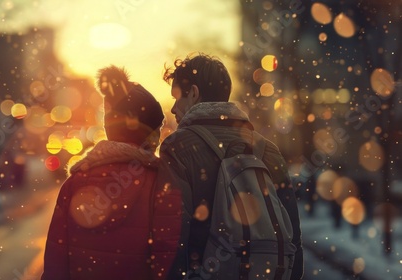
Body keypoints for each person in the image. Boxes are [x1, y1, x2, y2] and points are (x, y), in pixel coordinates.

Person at [158, 53, 304, 279]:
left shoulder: (177, 147)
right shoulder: (267, 149)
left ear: (194, 93)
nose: (173, 108)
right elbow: (292, 234)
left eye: (177, 97)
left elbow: (174, 232)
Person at [42, 66, 181, 280]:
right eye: (157, 128)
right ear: (149, 133)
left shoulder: (74, 184)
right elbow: (167, 260)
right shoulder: (161, 185)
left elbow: (56, 265)